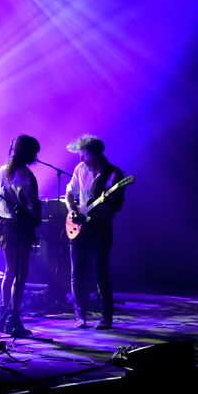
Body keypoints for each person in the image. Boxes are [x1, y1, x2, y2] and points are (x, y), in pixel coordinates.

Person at [65, 134, 125, 329]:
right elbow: (69, 193)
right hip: (81, 226)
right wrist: (72, 210)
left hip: (101, 226)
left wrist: (110, 201)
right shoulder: (80, 169)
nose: (82, 160)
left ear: (96, 155)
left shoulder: (114, 174)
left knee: (100, 272)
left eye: (85, 156)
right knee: (77, 272)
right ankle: (80, 316)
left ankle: (106, 317)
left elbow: (117, 206)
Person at [0, 135, 42, 337]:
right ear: (28, 152)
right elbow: (34, 206)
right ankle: (15, 318)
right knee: (21, 273)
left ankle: (5, 315)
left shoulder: (1, 170)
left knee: (9, 270)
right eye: (34, 152)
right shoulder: (28, 176)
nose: (36, 156)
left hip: (4, 225)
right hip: (21, 226)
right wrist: (36, 219)